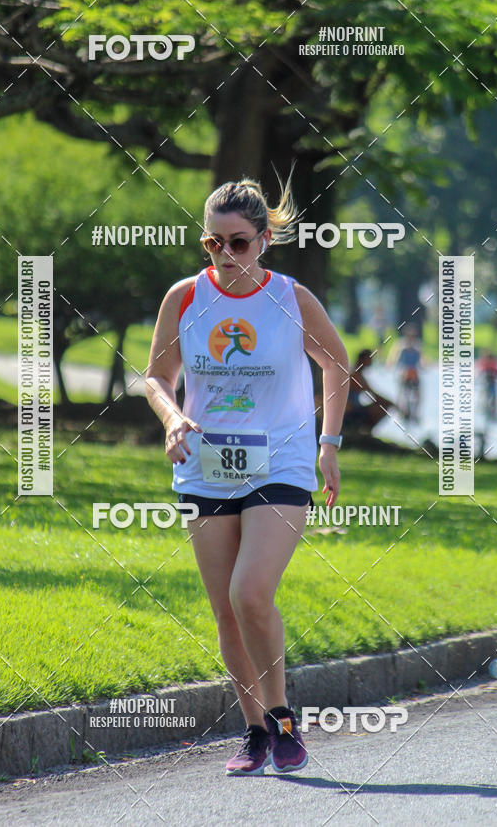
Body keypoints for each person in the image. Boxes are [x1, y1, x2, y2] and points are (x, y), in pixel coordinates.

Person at [145, 171, 349, 776]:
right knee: (226, 611)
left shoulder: (291, 298)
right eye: (214, 243)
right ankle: (255, 732)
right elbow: (157, 376)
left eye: (238, 242)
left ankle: (282, 717)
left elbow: (336, 365)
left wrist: (329, 443)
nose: (226, 254)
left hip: (281, 460)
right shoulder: (185, 297)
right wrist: (173, 418)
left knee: (249, 592)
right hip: (207, 464)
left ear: (264, 239)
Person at [342, 349, 395, 432]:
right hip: (348, 413)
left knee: (384, 405)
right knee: (383, 407)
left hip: (354, 409)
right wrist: (392, 404)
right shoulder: (354, 375)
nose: (371, 361)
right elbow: (373, 395)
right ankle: (363, 431)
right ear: (363, 359)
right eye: (370, 358)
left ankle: (363, 431)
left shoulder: (358, 374)